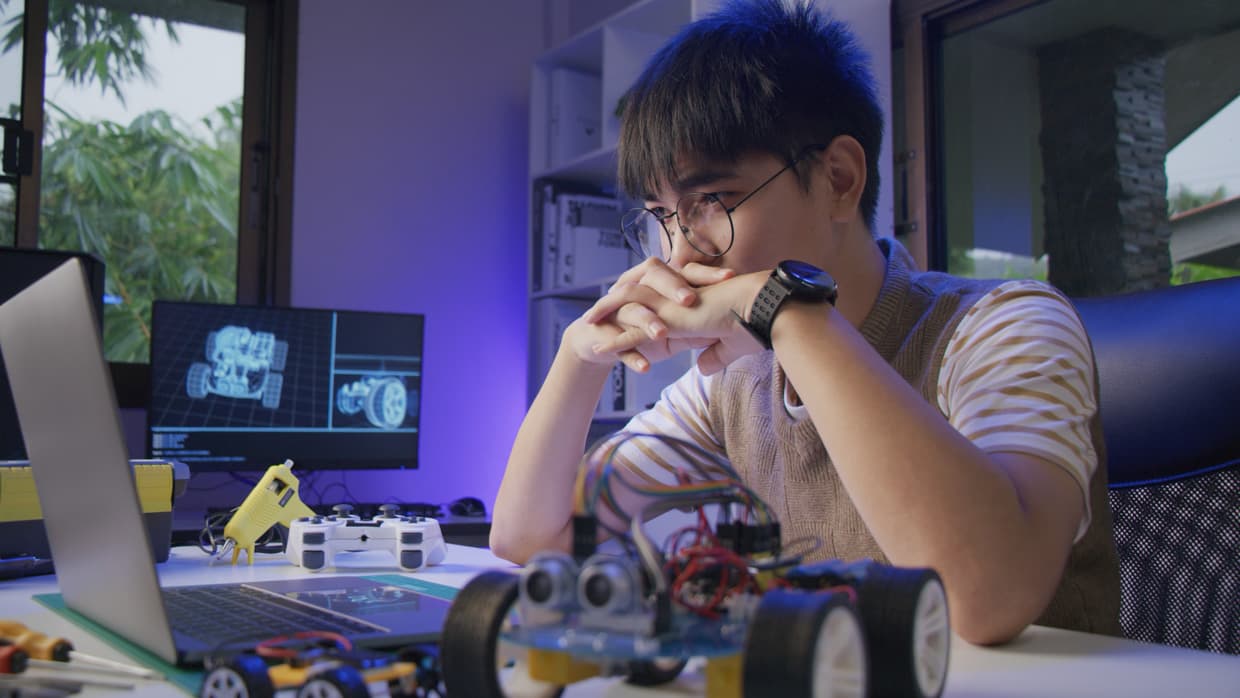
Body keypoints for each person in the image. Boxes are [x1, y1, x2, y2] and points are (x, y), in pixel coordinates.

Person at [491, 0, 1120, 645]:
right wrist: (579, 357)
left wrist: (786, 310)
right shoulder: (731, 387)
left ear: (839, 180)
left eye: (711, 201)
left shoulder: (1004, 325)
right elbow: (529, 537)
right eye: (664, 215)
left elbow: (981, 601)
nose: (680, 254)